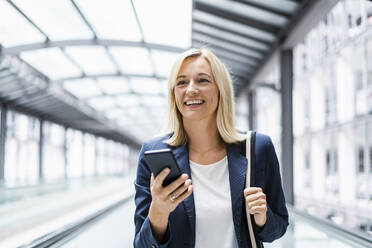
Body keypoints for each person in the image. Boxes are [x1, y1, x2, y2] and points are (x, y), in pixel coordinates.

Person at [133, 48, 288, 248]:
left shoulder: (257, 147)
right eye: (181, 82)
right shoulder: (153, 153)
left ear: (220, 89)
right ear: (174, 94)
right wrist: (159, 212)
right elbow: (140, 245)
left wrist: (262, 217)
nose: (191, 90)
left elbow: (280, 226)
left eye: (202, 80)